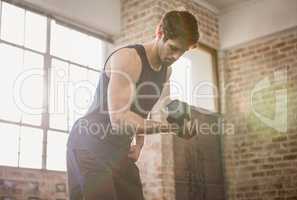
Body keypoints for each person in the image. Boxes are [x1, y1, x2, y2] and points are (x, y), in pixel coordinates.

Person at [66, 10, 199, 200]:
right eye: (173, 48)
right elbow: (120, 119)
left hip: (118, 150)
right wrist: (170, 127)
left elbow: (140, 111)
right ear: (160, 32)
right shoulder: (128, 59)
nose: (176, 56)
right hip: (89, 143)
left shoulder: (165, 72)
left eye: (182, 52)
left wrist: (140, 144)